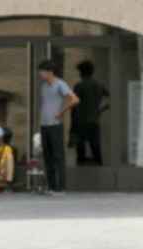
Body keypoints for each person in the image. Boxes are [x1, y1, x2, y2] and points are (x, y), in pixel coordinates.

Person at [37, 59, 79, 192]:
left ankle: (61, 188)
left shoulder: (60, 84)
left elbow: (75, 99)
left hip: (55, 125)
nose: (40, 74)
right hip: (44, 125)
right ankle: (51, 187)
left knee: (58, 156)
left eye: (42, 72)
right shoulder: (43, 86)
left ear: (50, 72)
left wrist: (61, 112)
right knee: (47, 156)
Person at [71, 60, 109, 166]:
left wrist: (72, 127)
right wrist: (101, 109)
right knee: (96, 150)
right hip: (94, 122)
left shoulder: (79, 86)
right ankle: (100, 176)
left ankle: (81, 177)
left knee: (81, 154)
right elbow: (110, 97)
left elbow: (74, 107)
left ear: (82, 72)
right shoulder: (99, 85)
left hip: (81, 123)